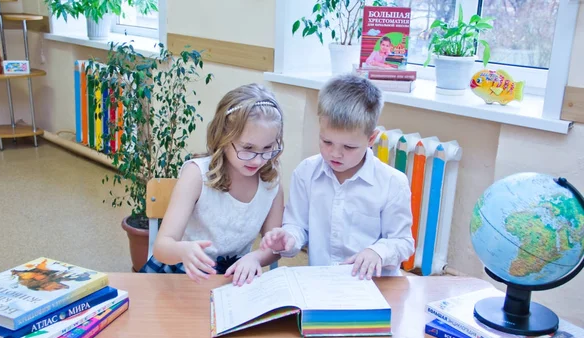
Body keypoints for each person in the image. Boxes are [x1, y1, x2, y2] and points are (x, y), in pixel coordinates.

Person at [260, 74, 414, 280]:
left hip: (373, 287)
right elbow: (297, 226)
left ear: (371, 139)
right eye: (327, 141)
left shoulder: (392, 183)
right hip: (322, 284)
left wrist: (378, 252)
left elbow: (403, 242)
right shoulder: (306, 173)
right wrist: (288, 238)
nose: (335, 154)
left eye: (349, 147)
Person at [140, 83, 284, 286]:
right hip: (183, 272)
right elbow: (162, 246)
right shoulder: (197, 175)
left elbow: (273, 246)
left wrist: (256, 257)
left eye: (268, 147)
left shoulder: (271, 183)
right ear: (223, 138)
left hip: (234, 277)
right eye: (248, 148)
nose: (257, 160)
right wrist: (183, 250)